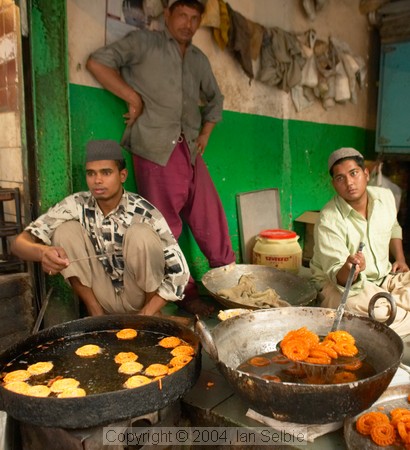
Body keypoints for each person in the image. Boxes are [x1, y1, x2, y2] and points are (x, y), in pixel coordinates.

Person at [85, 0, 236, 316]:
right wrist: (132, 96)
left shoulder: (197, 58)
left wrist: (206, 133)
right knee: (165, 227)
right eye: (182, 15)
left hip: (190, 148)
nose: (188, 24)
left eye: (194, 18)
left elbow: (216, 98)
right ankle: (185, 293)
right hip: (155, 148)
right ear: (168, 15)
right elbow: (97, 63)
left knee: (211, 217)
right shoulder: (144, 43)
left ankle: (229, 284)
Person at [11, 139, 190, 317]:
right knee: (65, 231)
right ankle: (96, 314)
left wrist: (147, 312)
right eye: (91, 173)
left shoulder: (144, 212)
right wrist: (43, 252)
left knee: (140, 233)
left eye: (106, 172)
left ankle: (152, 316)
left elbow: (180, 274)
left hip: (140, 301)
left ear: (122, 175)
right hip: (102, 298)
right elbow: (19, 244)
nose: (97, 180)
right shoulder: (77, 204)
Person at [310, 147, 410, 337]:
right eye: (340, 178)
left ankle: (393, 310)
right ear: (334, 184)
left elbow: (394, 226)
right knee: (378, 314)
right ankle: (394, 312)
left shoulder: (385, 197)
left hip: (384, 278)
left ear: (365, 174)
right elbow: (338, 276)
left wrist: (400, 258)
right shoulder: (328, 220)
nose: (349, 183)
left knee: (383, 313)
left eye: (353, 173)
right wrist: (351, 268)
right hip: (344, 287)